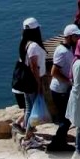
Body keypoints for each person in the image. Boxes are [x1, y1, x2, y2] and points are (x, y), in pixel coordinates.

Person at [48, 24, 80, 152]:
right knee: (66, 119)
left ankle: (59, 143)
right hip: (60, 90)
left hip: (64, 89)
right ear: (69, 37)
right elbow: (54, 72)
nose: (79, 37)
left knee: (67, 118)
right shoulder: (62, 51)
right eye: (76, 35)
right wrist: (69, 81)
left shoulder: (70, 48)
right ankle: (56, 145)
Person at [13, 17, 48, 148]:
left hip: (27, 81)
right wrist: (38, 83)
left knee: (29, 108)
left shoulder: (25, 42)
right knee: (31, 109)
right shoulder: (33, 46)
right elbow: (34, 66)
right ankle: (28, 136)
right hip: (33, 80)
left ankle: (29, 135)